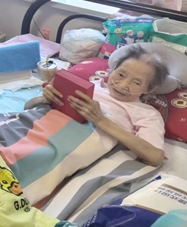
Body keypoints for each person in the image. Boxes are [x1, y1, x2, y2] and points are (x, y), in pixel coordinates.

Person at [27, 45, 169, 166]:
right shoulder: (89, 87)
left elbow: (155, 157)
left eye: (137, 82)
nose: (123, 85)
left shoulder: (147, 113)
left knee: (27, 158)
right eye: (120, 74)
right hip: (34, 127)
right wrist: (45, 99)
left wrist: (101, 120)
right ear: (112, 70)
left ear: (149, 89)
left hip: (62, 143)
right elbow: (27, 107)